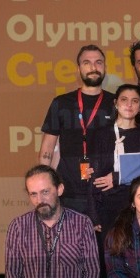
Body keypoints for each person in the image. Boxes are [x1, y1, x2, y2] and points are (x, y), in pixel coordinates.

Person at [39, 44, 115, 214]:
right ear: (78, 69)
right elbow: (47, 148)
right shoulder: (61, 103)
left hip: (106, 191)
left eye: (98, 62)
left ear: (105, 67)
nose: (93, 67)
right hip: (69, 193)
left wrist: (117, 177)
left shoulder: (116, 103)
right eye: (87, 63)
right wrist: (44, 186)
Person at [88, 84, 140, 239]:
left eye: (135, 101)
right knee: (111, 250)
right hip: (108, 207)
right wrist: (93, 213)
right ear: (116, 103)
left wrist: (118, 176)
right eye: (124, 100)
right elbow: (93, 176)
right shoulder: (101, 135)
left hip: (139, 206)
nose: (129, 105)